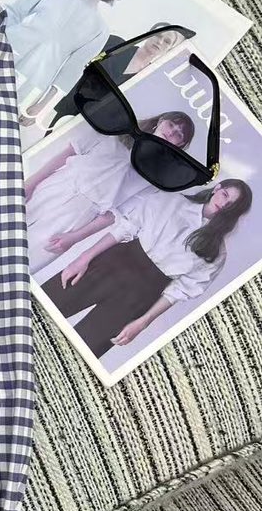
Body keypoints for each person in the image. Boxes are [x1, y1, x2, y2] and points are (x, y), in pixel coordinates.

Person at [39, 179, 252, 359]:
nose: (224, 204)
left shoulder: (217, 252)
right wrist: (84, 258)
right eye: (225, 195)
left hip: (140, 296)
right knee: (43, 307)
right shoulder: (171, 201)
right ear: (217, 188)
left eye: (231, 205)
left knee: (83, 350)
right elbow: (125, 228)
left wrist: (143, 322)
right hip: (111, 263)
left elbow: (179, 291)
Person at [24, 111, 195, 274]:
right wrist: (30, 183)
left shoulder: (156, 179)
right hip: (56, 186)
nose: (172, 132)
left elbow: (114, 214)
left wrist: (75, 237)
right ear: (161, 121)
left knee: (29, 257)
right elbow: (69, 152)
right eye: (171, 124)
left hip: (79, 216)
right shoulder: (117, 131)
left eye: (179, 134)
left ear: (180, 145)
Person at [4, 0, 126, 128]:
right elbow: (14, 11)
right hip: (3, 55)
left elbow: (72, 69)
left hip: (32, 79)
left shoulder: (100, 29)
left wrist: (43, 107)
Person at [50, 22, 192, 129]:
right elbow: (77, 64)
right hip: (70, 106)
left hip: (92, 124)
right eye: (158, 35)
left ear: (169, 50)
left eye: (167, 41)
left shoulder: (146, 80)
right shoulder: (116, 45)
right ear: (148, 33)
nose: (160, 41)